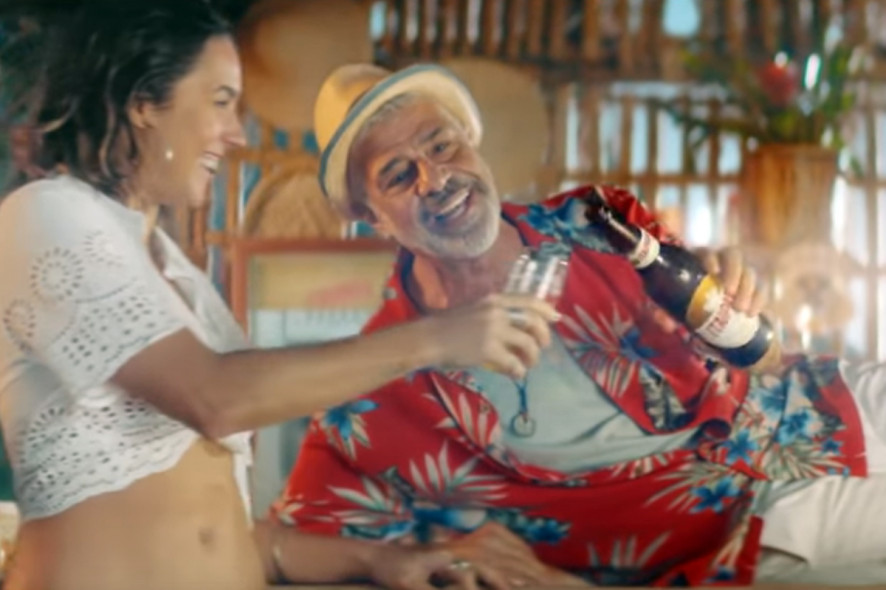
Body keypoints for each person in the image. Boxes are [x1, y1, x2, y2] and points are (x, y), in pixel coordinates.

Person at [0, 4, 558, 590]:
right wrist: (439, 338)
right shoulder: (44, 213)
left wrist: (381, 560)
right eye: (220, 101)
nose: (236, 133)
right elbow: (213, 398)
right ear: (144, 102)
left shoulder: (172, 268)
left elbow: (225, 532)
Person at [273, 61, 886, 587]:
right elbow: (274, 541)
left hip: (821, 411)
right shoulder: (375, 392)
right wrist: (383, 560)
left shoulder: (600, 220)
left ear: (473, 143)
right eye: (397, 175)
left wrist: (739, 301)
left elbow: (761, 354)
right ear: (372, 216)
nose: (435, 179)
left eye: (441, 146)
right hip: (745, 533)